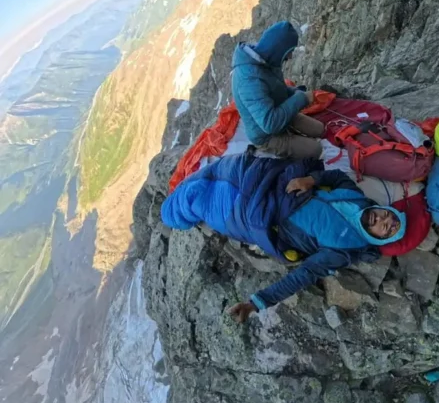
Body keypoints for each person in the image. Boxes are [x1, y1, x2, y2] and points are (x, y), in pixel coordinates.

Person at [160, 153, 406, 316]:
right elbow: (337, 176)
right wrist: (311, 179)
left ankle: (172, 211)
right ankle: (187, 188)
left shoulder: (344, 250)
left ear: (378, 238)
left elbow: (303, 275)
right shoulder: (357, 197)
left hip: (257, 214)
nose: (384, 220)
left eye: (387, 228)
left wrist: (256, 304)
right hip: (271, 184)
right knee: (222, 170)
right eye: (389, 216)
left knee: (193, 199)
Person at [232, 20, 324, 159]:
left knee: (320, 129)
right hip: (266, 135)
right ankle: (271, 146)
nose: (290, 56)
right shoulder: (249, 80)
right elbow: (270, 124)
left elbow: (276, 88)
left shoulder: (268, 60)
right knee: (316, 149)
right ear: (279, 49)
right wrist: (301, 98)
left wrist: (294, 92)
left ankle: (292, 132)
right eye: (289, 52)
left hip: (280, 113)